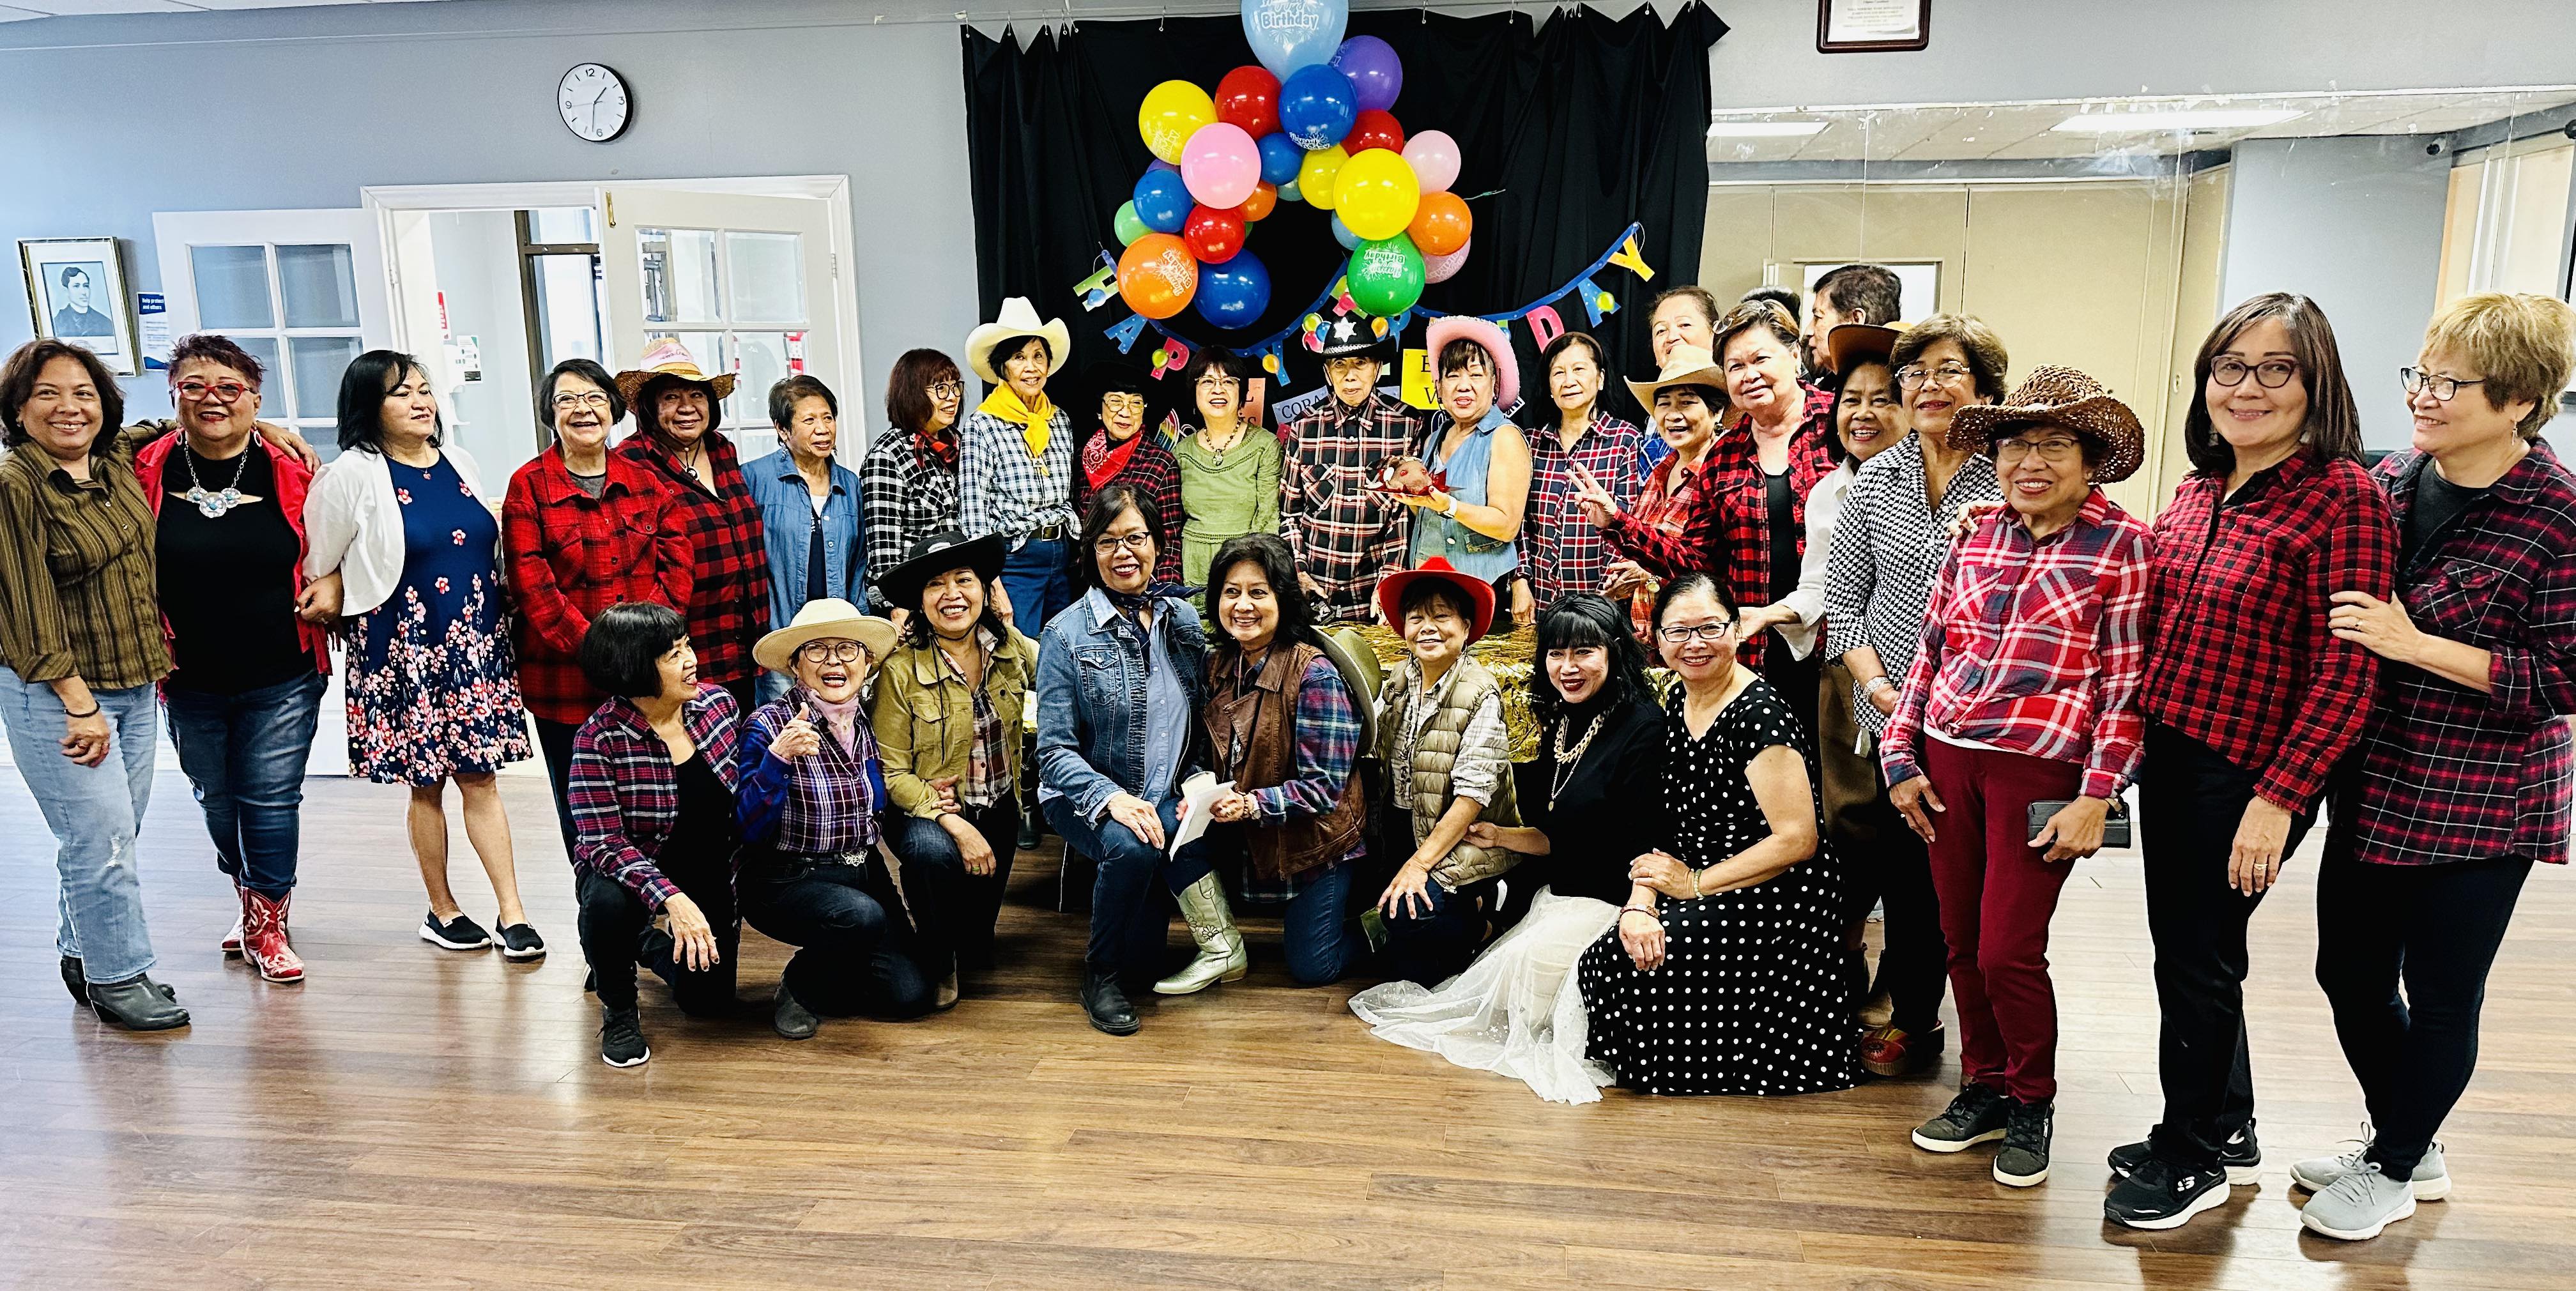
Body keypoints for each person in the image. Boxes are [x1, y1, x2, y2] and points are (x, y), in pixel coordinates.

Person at [2101, 295, 2398, 1230]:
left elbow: (2351, 671)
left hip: (2250, 772)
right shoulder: (2200, 488)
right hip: (2174, 757)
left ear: (2317, 383)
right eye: (2230, 367)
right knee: (2193, 953)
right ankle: (2225, 1123)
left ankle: (2190, 1155)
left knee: (2198, 959)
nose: (2248, 388)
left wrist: (2280, 798)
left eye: (2277, 369)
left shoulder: (2345, 496)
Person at [2297, 293, 2576, 1242]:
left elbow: (2563, 677)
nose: (2425, 395)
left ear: (2520, 399)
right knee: (2349, 973)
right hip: (2376, 775)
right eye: (2423, 374)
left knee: (2445, 993)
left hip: (2485, 796)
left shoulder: (2559, 516)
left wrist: (2415, 645)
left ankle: (2391, 1163)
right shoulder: (2390, 478)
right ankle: (2409, 1139)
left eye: (2452, 382)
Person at [1881, 366, 2154, 1190]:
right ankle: (1985, 1086)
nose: (2030, 462)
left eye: (2054, 444)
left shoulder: (2126, 545)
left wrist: (2098, 794)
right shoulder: (1974, 531)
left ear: (2091, 459)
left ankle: (2033, 1098)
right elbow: (1930, 651)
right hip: (1944, 757)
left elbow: (2125, 685)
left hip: (2042, 767)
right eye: (2015, 445)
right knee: (1959, 940)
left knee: (2009, 949)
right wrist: (1900, 755)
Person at [1349, 593, 1665, 1102]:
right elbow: (1559, 832)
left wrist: (1639, 909)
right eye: (1556, 653)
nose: (1568, 667)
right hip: (1557, 890)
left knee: (1520, 999)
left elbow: (1646, 840)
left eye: (1584, 652)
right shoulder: (1563, 717)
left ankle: (1481, 916)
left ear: (1614, 651)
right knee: (1476, 985)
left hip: (1609, 897)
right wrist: (1500, 836)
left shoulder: (1643, 727)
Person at [1572, 572, 1855, 1097]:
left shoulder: (1759, 714)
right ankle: (1663, 1063)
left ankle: (1707, 1068)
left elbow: (1798, 839)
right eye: (1679, 631)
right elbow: (1664, 817)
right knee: (1611, 954)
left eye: (1709, 628)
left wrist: (1695, 884)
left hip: (1777, 888)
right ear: (1657, 639)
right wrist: (1642, 899)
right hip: (1703, 871)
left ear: (1738, 629)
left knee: (1636, 959)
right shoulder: (1677, 700)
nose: (1694, 643)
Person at [303, 350, 542, 959]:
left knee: (482, 778)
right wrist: (335, 588)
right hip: (402, 648)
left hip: (475, 644)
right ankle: (443, 908)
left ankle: (513, 912)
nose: (420, 402)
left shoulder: (459, 461)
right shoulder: (350, 474)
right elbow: (320, 564)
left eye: (423, 389)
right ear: (369, 406)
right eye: (401, 392)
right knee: (427, 784)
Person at [1820, 314, 2009, 1078]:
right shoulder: (1876, 478)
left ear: (1985, 388)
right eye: (1916, 373)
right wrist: (1883, 691)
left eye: (1948, 370)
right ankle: (1917, 1015)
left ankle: (1994, 1039)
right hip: (1891, 714)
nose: (1928, 386)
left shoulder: (2009, 473)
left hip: (1979, 717)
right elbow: (1845, 604)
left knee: (1972, 884)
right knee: (1904, 873)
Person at [132, 333, 333, 984]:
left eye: (230, 387)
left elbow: (343, 545)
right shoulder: (141, 468)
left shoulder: (294, 470)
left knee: (269, 798)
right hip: (186, 674)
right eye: (193, 386)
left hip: (283, 671)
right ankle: (250, 898)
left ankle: (269, 923)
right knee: (216, 800)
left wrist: (333, 584)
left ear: (255, 397)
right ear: (173, 396)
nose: (212, 398)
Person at [0, 340, 188, 1029]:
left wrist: (264, 426)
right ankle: (119, 977)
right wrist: (80, 706)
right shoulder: (16, 484)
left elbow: (165, 424)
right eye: (47, 394)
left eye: (83, 392)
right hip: (60, 694)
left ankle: (83, 952)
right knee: (101, 840)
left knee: (110, 835)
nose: (69, 408)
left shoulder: (112, 459)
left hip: (134, 679)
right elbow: (25, 608)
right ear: (18, 410)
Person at [1583, 303, 1835, 695]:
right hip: (1753, 649)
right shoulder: (1724, 457)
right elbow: (1696, 561)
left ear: (1793, 354)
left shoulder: (1839, 422)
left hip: (1841, 646)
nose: (1749, 375)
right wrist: (1618, 521)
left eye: (1760, 359)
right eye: (1735, 367)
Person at [1035, 485, 1212, 1035]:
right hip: (1085, 795)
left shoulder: (1182, 618)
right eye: (1108, 541)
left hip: (1164, 792)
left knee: (1148, 965)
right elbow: (1052, 753)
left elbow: (1198, 718)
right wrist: (1112, 799)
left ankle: (1187, 943)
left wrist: (1195, 783)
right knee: (1132, 846)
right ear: (1091, 551)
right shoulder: (1065, 634)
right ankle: (1099, 974)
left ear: (1157, 543)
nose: (1123, 552)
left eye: (1136, 537)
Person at [502, 358, 692, 857]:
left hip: (650, 678)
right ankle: (598, 896)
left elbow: (677, 565)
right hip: (565, 682)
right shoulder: (528, 485)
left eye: (594, 398)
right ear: (550, 413)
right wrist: (605, 653)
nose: (582, 409)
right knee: (583, 809)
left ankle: (661, 892)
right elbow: (532, 585)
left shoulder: (647, 482)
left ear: (613, 409)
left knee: (656, 796)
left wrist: (646, 647)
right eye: (567, 399)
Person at [1188, 533, 1373, 991]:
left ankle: (1380, 925)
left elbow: (1323, 788)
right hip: (1256, 838)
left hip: (1317, 846)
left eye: (1258, 592)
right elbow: (1202, 751)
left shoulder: (1315, 674)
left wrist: (1251, 805)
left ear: (1283, 599)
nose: (1242, 606)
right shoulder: (1218, 664)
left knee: (1314, 966)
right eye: (1231, 592)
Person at [738, 599, 930, 1038]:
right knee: (861, 918)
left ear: (867, 661)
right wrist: (777, 760)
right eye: (817, 650)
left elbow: (891, 785)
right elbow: (747, 829)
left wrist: (930, 790)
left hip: (863, 870)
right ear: (795, 665)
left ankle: (839, 965)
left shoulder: (871, 719)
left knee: (910, 995)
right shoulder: (768, 725)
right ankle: (800, 986)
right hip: (787, 878)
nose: (834, 661)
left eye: (847, 649)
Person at [567, 602, 744, 1067]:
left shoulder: (718, 707)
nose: (692, 661)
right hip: (633, 873)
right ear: (634, 668)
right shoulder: (598, 739)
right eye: (673, 655)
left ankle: (642, 943)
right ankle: (619, 1009)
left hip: (706, 868)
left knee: (708, 1002)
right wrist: (673, 899)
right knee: (605, 902)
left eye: (687, 647)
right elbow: (603, 844)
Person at [871, 531, 1037, 999]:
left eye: (964, 579)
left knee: (977, 946)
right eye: (935, 584)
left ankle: (954, 939)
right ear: (919, 601)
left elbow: (1063, 675)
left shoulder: (1011, 647)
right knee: (931, 855)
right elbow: (890, 772)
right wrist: (951, 821)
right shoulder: (899, 669)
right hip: (926, 811)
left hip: (998, 806)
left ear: (985, 588)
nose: (952, 594)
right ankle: (936, 957)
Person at [1370, 558, 1524, 986]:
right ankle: (1460, 914)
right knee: (1394, 950)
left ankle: (1482, 916)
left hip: (1467, 835)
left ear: (1466, 626)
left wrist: (1419, 865)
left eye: (1441, 616)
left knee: (1406, 918)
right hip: (1406, 824)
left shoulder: (1480, 692)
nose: (1428, 628)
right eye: (1416, 617)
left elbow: (1472, 797)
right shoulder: (1401, 676)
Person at [612, 339, 770, 712]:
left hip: (743, 643)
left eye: (696, 395)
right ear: (649, 406)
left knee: (742, 741)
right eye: (671, 397)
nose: (687, 407)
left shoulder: (722, 449)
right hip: (682, 649)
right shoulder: (629, 463)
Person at [1276, 317, 1419, 623]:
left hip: (1374, 601)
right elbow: (1289, 514)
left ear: (1377, 367)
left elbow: (1404, 516)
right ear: (1327, 372)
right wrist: (1299, 574)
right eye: (1339, 364)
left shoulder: (1407, 425)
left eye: (1361, 363)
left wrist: (1390, 581)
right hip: (1312, 599)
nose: (1350, 375)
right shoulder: (1303, 427)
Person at [1400, 316, 1533, 627]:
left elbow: (1507, 526)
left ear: (1494, 384)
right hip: (1430, 587)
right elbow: (1429, 514)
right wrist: (1409, 498)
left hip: (1481, 592)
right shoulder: (1435, 438)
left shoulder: (1504, 437)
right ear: (1439, 387)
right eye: (1453, 375)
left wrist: (1449, 506)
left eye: (1476, 374)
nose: (1464, 385)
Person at [746, 374, 865, 705]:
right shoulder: (754, 478)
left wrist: (858, 627)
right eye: (809, 420)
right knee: (785, 723)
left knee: (839, 722)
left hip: (838, 637)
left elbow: (859, 564)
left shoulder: (850, 484)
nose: (823, 429)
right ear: (783, 430)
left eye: (828, 418)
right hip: (780, 634)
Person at [960, 297, 1078, 630]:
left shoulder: (1059, 420)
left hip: (1062, 556)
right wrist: (992, 583)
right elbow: (974, 515)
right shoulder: (983, 425)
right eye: (1019, 357)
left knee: (1065, 649)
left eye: (1039, 356)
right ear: (1003, 367)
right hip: (1016, 561)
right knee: (1020, 652)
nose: (1031, 367)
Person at [1522, 331, 1646, 609]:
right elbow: (1520, 524)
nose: (1569, 381)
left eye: (1579, 369)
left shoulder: (1625, 440)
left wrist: (1606, 598)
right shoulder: (1531, 444)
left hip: (1602, 605)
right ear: (1549, 386)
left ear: (1600, 379)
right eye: (1558, 373)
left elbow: (1628, 523)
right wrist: (1520, 580)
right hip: (1540, 603)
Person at [859, 348, 968, 616]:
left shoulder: (959, 443)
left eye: (955, 386)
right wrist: (897, 608)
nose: (952, 396)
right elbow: (884, 548)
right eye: (940, 388)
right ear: (912, 394)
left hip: (959, 592)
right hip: (915, 598)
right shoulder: (887, 455)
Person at [1170, 350, 1282, 590]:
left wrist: (1248, 572)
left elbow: (1268, 520)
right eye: (1207, 381)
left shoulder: (1265, 446)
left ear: (1242, 393)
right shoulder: (1181, 452)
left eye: (1228, 382)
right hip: (1193, 568)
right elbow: (1171, 523)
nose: (1218, 390)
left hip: (1246, 569)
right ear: (1194, 391)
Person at [1071, 362, 1182, 587]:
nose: (1125, 412)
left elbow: (1169, 540)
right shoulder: (1083, 458)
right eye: (1115, 402)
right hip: (1086, 582)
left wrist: (1165, 594)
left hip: (1137, 583)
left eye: (1136, 403)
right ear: (1099, 409)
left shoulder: (1161, 463)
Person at [1638, 286, 1722, 476]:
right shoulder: (1655, 416)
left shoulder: (1740, 401)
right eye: (1661, 331)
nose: (1672, 337)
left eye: (1684, 325)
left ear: (1714, 334)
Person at [1805, 263, 1905, 378]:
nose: (1808, 331)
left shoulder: (1897, 386)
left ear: (1855, 320)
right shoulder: (1828, 384)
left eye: (1818, 317)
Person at [50, 266, 115, 339]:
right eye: (76, 286)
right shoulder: (57, 323)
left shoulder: (105, 323)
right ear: (66, 291)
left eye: (86, 286)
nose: (84, 292)